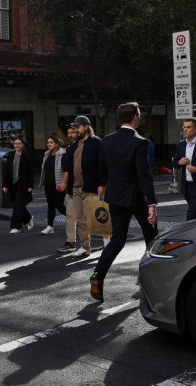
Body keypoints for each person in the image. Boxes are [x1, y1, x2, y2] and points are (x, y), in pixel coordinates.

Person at [91, 102, 158, 302]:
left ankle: (98, 275)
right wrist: (151, 204)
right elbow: (143, 176)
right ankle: (152, 280)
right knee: (152, 237)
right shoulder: (140, 142)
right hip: (136, 197)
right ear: (135, 117)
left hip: (115, 197)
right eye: (139, 114)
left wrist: (103, 186)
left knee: (117, 240)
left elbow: (101, 168)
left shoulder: (107, 140)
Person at [58, 115, 103, 258]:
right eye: (75, 127)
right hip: (76, 188)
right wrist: (68, 187)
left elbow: (103, 166)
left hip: (91, 187)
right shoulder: (72, 146)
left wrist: (102, 184)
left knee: (95, 219)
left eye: (78, 127)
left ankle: (108, 243)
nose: (75, 130)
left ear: (86, 126)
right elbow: (69, 168)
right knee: (80, 219)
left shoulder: (97, 143)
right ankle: (85, 247)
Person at [3, 136, 35, 233]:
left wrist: (30, 186)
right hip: (12, 184)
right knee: (17, 204)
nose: (17, 145)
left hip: (23, 184)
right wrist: (5, 185)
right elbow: (7, 171)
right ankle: (28, 218)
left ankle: (17, 227)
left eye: (19, 144)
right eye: (15, 144)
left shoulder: (27, 156)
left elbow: (31, 173)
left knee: (17, 204)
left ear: (22, 145)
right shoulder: (10, 155)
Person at [57, 126, 79, 253]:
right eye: (68, 132)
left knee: (89, 216)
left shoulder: (92, 144)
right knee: (70, 215)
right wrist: (64, 183)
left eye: (73, 132)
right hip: (71, 188)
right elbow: (67, 170)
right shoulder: (69, 149)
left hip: (86, 188)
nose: (70, 135)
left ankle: (105, 238)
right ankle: (70, 241)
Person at [38, 135, 66, 235]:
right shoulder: (47, 155)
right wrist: (43, 184)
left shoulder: (62, 154)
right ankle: (50, 226)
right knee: (50, 205)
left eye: (51, 142)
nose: (49, 144)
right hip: (48, 184)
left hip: (58, 184)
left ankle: (74, 219)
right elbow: (44, 171)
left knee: (59, 205)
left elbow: (66, 171)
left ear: (56, 144)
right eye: (48, 142)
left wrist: (63, 183)